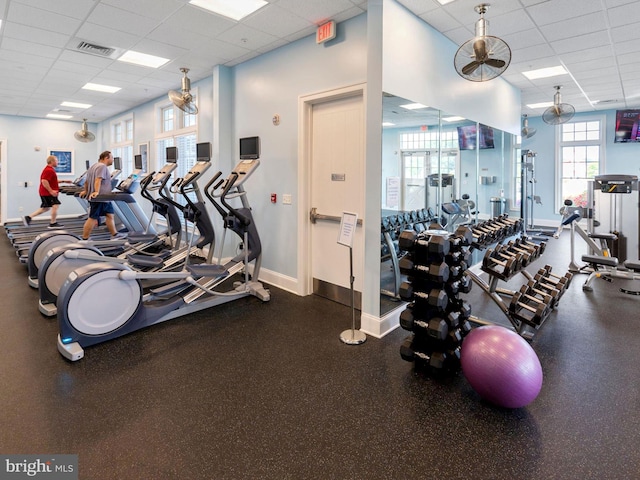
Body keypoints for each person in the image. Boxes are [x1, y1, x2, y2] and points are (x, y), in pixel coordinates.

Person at [79, 150, 126, 241]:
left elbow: (86, 181)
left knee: (109, 215)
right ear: (106, 158)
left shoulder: (93, 166)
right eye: (111, 158)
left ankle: (114, 234)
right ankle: (85, 238)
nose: (112, 160)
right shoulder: (102, 167)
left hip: (105, 198)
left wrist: (86, 191)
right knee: (92, 218)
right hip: (100, 198)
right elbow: (98, 179)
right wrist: (96, 192)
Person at [23, 154, 71, 228]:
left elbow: (52, 181)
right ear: (52, 161)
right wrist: (51, 191)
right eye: (56, 161)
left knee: (46, 208)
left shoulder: (49, 169)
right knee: (55, 206)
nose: (58, 162)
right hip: (47, 193)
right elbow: (44, 181)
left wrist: (64, 181)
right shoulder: (49, 170)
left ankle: (28, 217)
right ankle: (53, 223)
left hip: (44, 192)